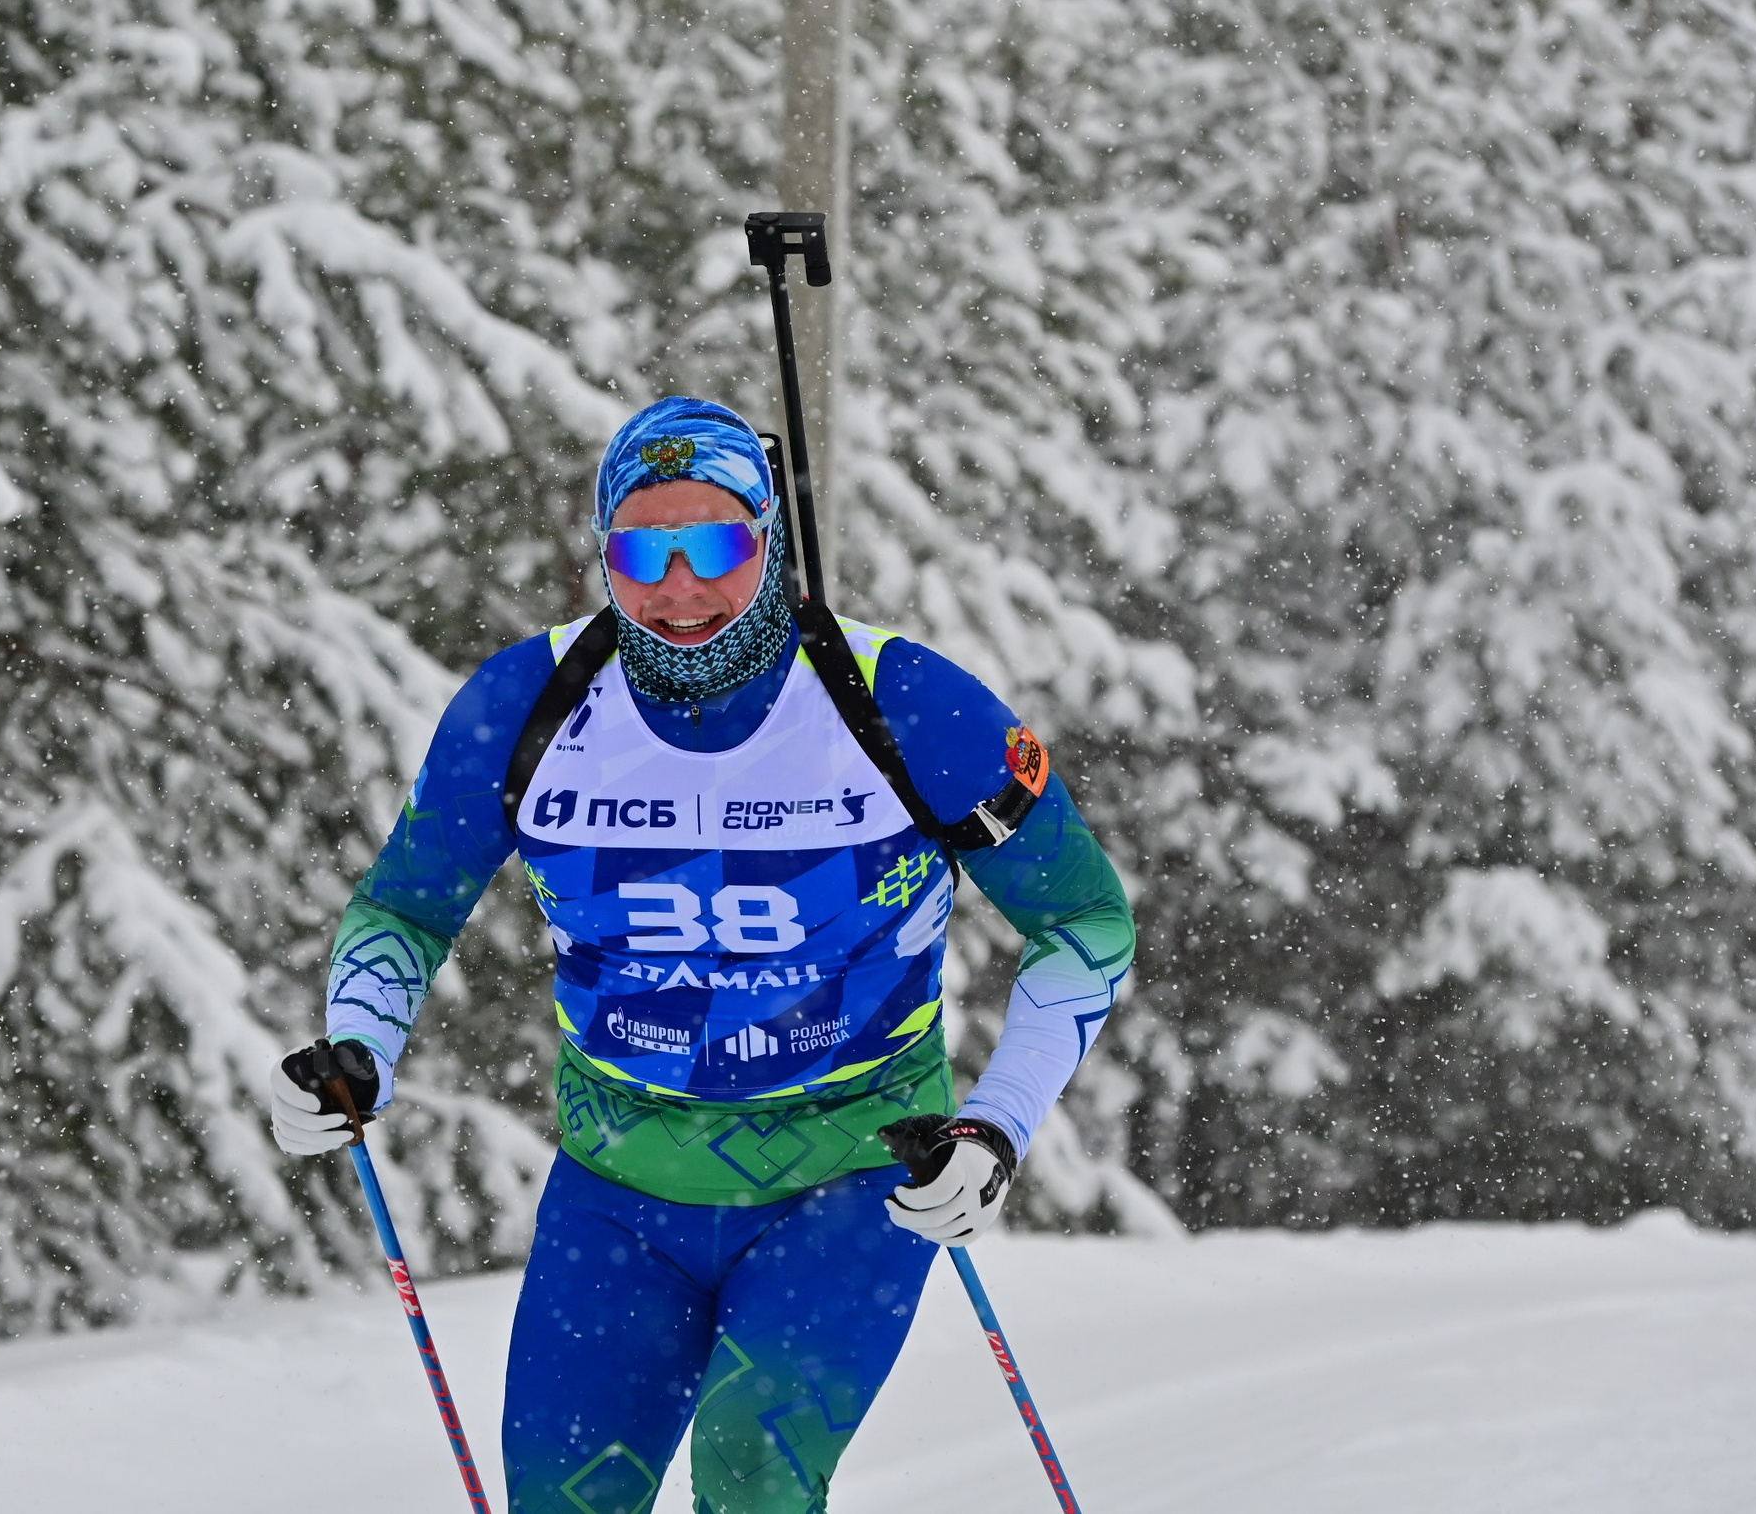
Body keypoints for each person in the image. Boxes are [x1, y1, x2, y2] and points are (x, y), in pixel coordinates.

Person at [271, 397, 1135, 1514]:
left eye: (716, 546)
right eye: (643, 553)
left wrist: (997, 1124)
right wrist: (359, 1045)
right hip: (620, 1188)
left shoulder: (904, 703)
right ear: (603, 556)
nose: (680, 589)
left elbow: (1084, 923)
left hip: (849, 1171)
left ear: (769, 541)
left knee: (752, 1478)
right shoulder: (528, 703)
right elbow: (404, 906)